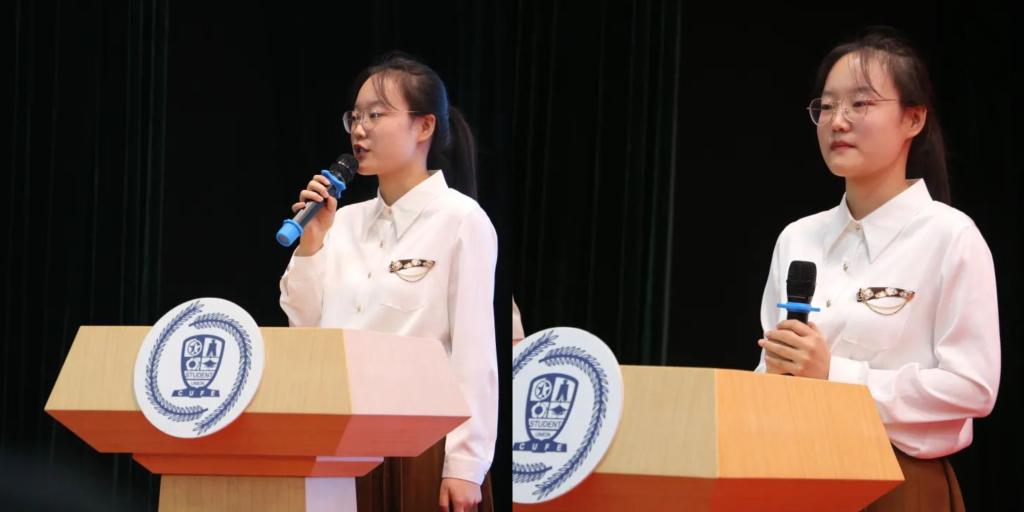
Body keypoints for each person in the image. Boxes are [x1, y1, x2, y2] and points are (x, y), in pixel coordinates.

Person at [754, 27, 999, 511]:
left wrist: (835, 374)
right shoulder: (797, 238)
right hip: (790, 474)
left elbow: (972, 388)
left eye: (860, 104)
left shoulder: (950, 236)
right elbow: (770, 365)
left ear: (913, 118)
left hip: (896, 481)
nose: (837, 121)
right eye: (826, 107)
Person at [279, 52, 498, 512]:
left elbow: (475, 353)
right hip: (337, 440)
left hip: (419, 446)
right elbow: (307, 331)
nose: (360, 130)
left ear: (424, 126)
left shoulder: (461, 220)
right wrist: (311, 245)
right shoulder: (343, 220)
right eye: (355, 117)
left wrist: (465, 465)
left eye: (376, 115)